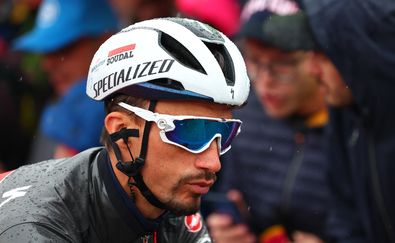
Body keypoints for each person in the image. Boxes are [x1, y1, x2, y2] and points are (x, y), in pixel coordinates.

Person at [0, 17, 250, 242]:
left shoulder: (168, 201)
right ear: (122, 132)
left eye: (223, 133)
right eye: (191, 132)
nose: (213, 162)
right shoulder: (34, 226)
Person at [298, 0, 395, 242]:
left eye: (325, 55)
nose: (311, 69)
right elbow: (344, 217)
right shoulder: (351, 109)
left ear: (368, 53)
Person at [205, 0, 330, 242]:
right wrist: (219, 231)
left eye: (282, 65)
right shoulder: (242, 112)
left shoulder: (354, 125)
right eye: (253, 60)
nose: (264, 81)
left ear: (318, 58)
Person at [13, 0, 119, 162]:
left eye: (63, 48)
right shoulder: (53, 103)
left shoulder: (125, 104)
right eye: (45, 52)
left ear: (107, 41)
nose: (47, 64)